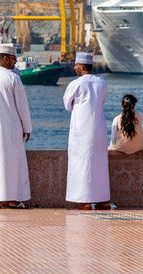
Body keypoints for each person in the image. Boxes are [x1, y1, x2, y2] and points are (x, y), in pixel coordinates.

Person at [0, 45, 33, 209]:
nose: (15, 63)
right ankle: (13, 200)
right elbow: (23, 106)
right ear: (6, 58)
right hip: (12, 128)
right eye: (14, 59)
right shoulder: (13, 78)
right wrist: (27, 127)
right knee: (13, 163)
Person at [63, 52, 111, 210]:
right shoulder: (102, 83)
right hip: (98, 127)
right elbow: (102, 100)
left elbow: (67, 105)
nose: (74, 67)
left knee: (82, 163)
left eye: (76, 65)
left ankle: (85, 201)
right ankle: (102, 200)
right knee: (100, 164)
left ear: (82, 66)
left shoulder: (76, 84)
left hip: (81, 129)